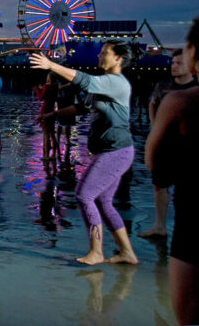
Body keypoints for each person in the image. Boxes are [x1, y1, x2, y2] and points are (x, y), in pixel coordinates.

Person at [30, 41, 138, 266]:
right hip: (111, 151)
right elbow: (81, 109)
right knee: (104, 202)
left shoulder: (116, 82)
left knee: (84, 195)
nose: (99, 55)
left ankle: (96, 252)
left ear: (118, 59)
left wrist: (51, 65)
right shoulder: (104, 86)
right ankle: (127, 252)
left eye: (105, 52)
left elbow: (85, 80)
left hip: (115, 151)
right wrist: (51, 116)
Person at [146, 17, 199, 325]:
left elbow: (155, 161)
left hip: (194, 218)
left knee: (189, 314)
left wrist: (156, 113)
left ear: (193, 52)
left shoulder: (180, 102)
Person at [139, 48, 197, 239]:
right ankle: (160, 226)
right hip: (165, 144)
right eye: (172, 63)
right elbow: (152, 104)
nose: (174, 66)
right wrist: (155, 127)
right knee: (160, 185)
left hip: (188, 146)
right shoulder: (163, 85)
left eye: (179, 63)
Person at [34, 72, 59, 164]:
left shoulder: (46, 86)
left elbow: (41, 97)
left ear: (48, 78)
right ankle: (54, 154)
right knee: (52, 133)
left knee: (45, 134)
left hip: (45, 110)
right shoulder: (55, 87)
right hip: (52, 110)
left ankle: (46, 155)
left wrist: (37, 90)